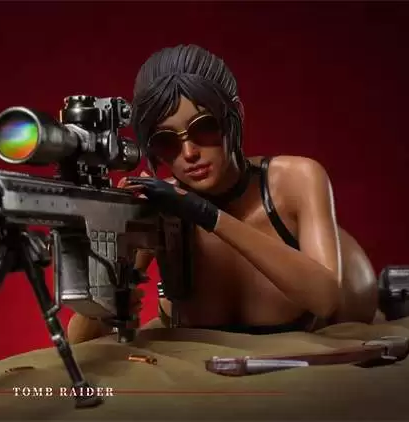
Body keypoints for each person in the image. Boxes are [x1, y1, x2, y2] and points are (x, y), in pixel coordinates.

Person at [66, 44, 379, 344]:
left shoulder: (293, 181)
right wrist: (113, 253)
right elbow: (80, 340)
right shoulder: (161, 208)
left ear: (235, 114)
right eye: (166, 142)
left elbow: (325, 299)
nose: (189, 153)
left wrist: (205, 214)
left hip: (344, 300)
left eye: (204, 128)